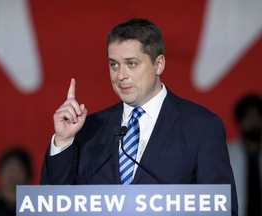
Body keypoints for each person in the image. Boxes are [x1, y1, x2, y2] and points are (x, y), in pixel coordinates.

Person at [40, 18, 238, 215]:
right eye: (114, 65)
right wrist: (63, 141)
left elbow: (222, 208)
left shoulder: (200, 127)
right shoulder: (90, 128)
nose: (120, 75)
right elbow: (55, 205)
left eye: (131, 64)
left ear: (159, 64)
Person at [228, 94, 262, 216]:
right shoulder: (227, 154)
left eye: (257, 116)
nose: (253, 121)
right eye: (248, 116)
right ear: (240, 121)